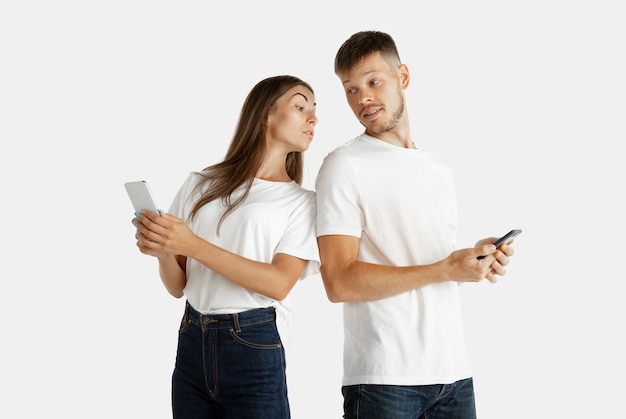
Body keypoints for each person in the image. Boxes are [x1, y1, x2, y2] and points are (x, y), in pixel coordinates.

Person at [315, 31, 516, 419]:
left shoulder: (438, 168)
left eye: (374, 82)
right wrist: (444, 268)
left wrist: (472, 261)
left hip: (454, 374)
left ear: (403, 76)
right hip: (384, 379)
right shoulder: (344, 166)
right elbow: (338, 281)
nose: (363, 98)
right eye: (351, 89)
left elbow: (429, 264)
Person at [131, 75, 320, 418]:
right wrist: (163, 252)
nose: (313, 118)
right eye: (300, 106)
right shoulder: (201, 184)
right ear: (266, 114)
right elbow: (178, 287)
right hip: (192, 338)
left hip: (253, 344)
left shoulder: (302, 203)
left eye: (314, 110)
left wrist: (192, 245)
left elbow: (279, 283)